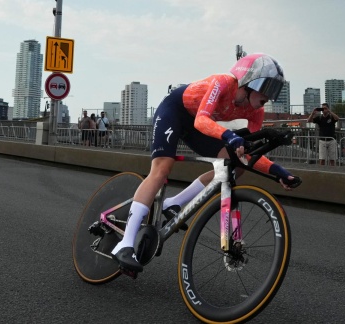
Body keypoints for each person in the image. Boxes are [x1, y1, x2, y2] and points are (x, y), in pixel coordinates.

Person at [111, 53, 301, 273]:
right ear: (250, 81)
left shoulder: (255, 111)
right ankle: (124, 244)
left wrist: (278, 171)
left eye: (275, 89)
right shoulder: (222, 83)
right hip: (175, 112)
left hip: (196, 126)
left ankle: (173, 202)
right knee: (162, 168)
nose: (270, 96)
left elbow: (248, 153)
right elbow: (202, 119)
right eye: (267, 87)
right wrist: (229, 136)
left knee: (236, 165)